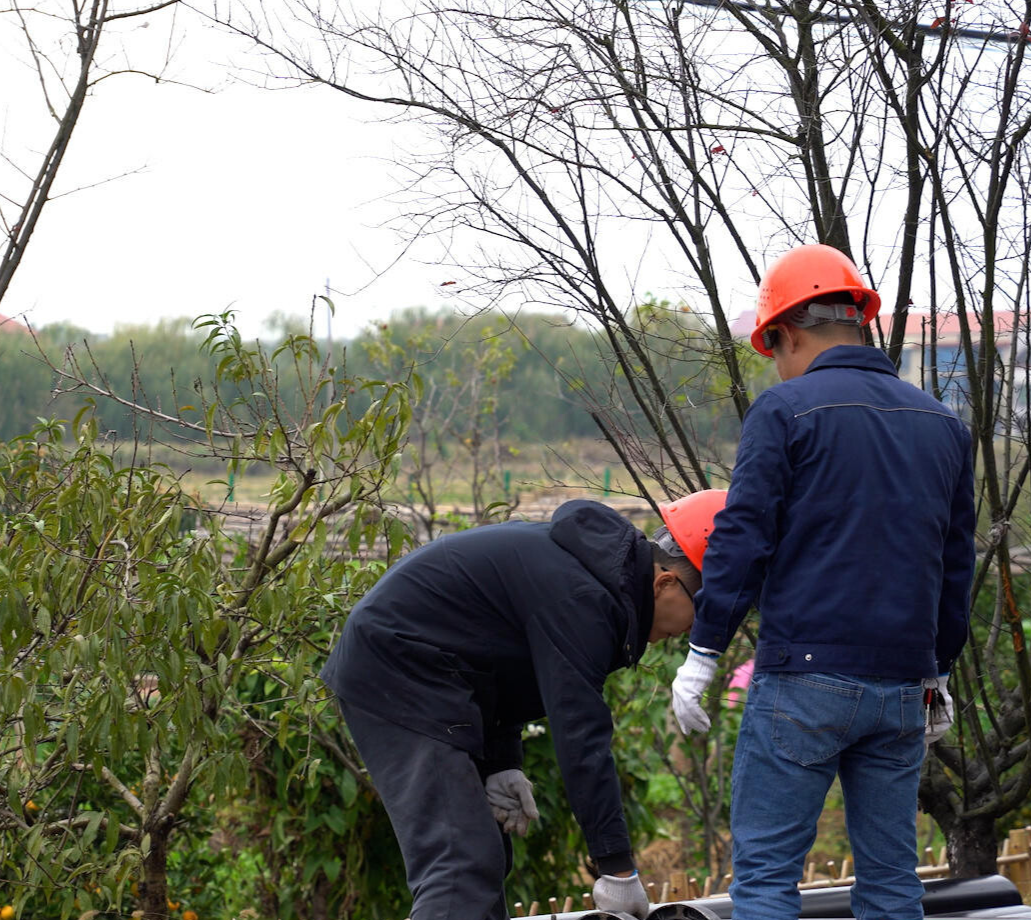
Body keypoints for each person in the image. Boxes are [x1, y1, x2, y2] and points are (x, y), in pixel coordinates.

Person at [668, 244, 975, 920]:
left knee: (767, 880)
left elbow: (741, 540)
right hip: (902, 687)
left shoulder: (783, 413)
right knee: (893, 884)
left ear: (790, 331)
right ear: (857, 320)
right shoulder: (944, 427)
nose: (776, 364)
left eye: (772, 346)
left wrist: (704, 652)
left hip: (803, 684)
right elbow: (956, 564)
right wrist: (940, 671)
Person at [322, 489, 727, 920]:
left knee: (484, 856)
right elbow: (581, 733)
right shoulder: (586, 597)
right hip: (400, 671)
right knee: (460, 864)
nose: (694, 633)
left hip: (434, 676)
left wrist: (503, 760)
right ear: (665, 582)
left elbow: (496, 654)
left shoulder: (601, 579)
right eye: (702, 615)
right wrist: (617, 868)